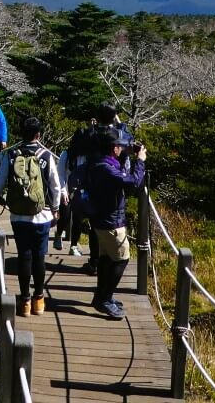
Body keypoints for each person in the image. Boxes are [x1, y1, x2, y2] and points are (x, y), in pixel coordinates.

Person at [0, 117, 63, 317]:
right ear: (38, 135)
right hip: (42, 215)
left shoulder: (11, 154)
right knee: (39, 256)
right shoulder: (46, 156)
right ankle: (39, 300)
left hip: (18, 216)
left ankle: (24, 302)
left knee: (24, 256)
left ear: (20, 133)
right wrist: (55, 208)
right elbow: (55, 186)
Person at [84, 124, 146, 320]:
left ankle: (101, 297)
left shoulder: (101, 163)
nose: (123, 148)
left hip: (101, 220)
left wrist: (129, 158)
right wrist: (141, 161)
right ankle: (106, 299)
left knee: (106, 258)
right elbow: (133, 183)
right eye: (121, 145)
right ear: (114, 147)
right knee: (122, 258)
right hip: (111, 222)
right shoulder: (107, 169)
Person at [57, 103, 120, 256]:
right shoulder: (69, 155)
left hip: (83, 190)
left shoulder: (89, 155)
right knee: (69, 215)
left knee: (83, 218)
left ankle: (76, 246)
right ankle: (62, 238)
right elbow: (60, 174)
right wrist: (63, 191)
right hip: (72, 190)